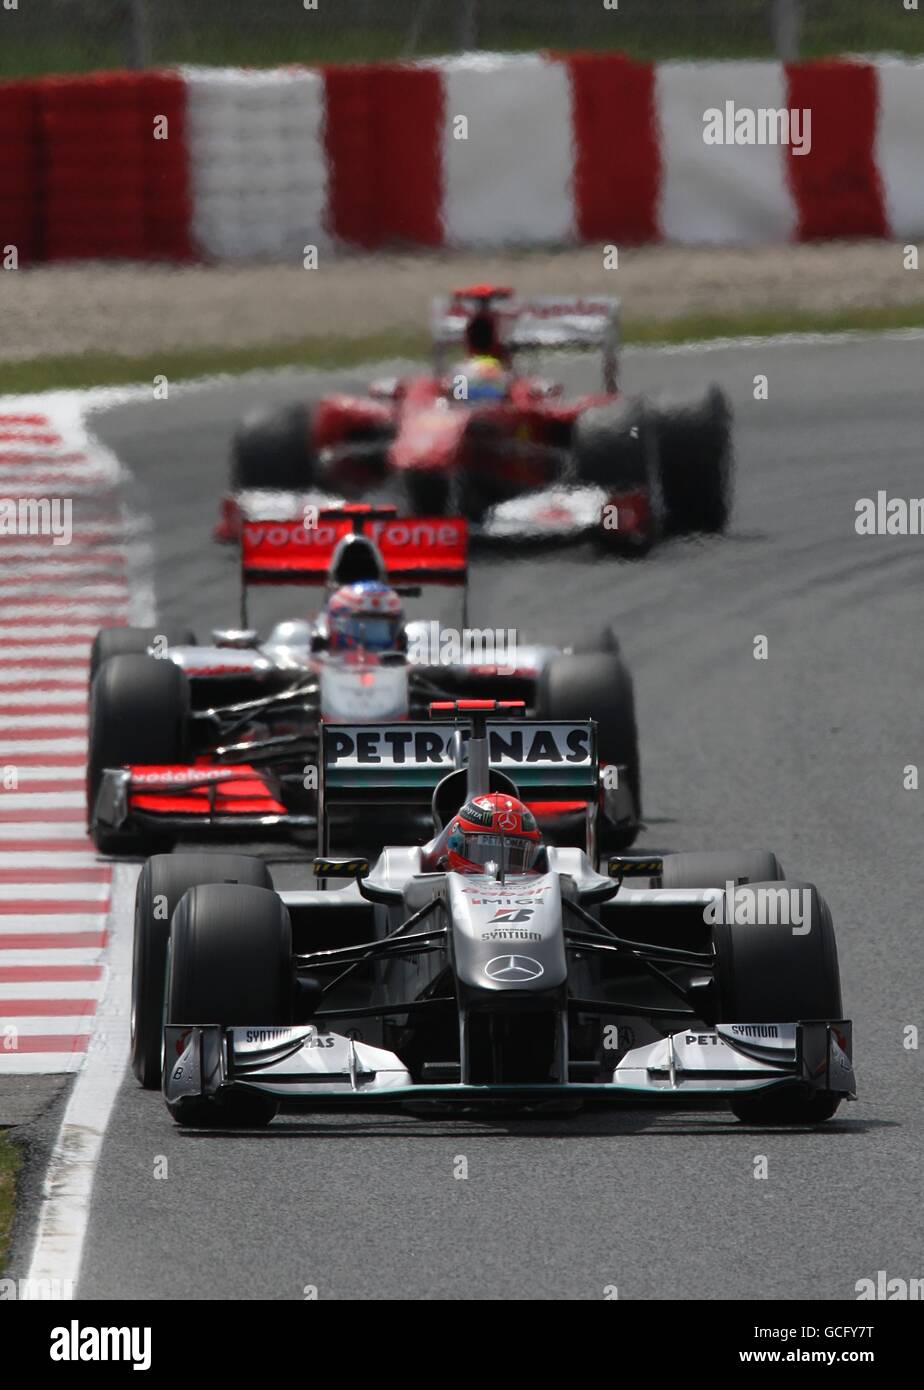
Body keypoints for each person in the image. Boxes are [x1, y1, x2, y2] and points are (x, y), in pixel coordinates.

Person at [424, 792, 547, 874]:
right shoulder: (437, 890)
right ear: (455, 843)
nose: (497, 870)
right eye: (483, 852)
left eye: (516, 857)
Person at [324, 580, 404, 654]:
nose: (375, 638)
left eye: (380, 628)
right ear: (337, 625)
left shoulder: (402, 663)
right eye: (366, 627)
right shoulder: (317, 665)